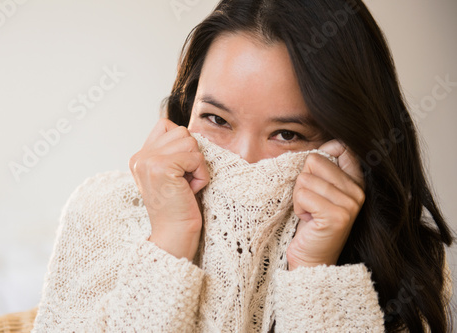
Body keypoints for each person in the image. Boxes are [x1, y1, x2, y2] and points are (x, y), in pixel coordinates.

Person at [32, 0, 454, 332]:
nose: (244, 161)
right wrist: (170, 242)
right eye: (216, 120)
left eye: (287, 134)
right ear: (186, 107)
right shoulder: (102, 211)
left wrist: (315, 273)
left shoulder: (398, 253)